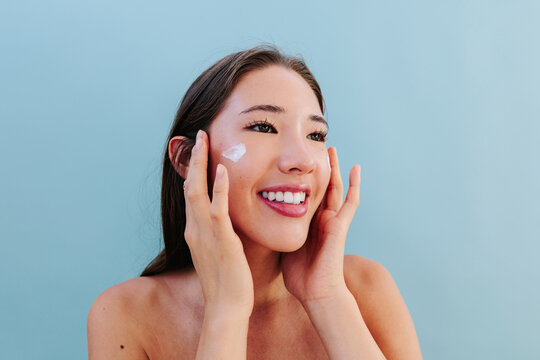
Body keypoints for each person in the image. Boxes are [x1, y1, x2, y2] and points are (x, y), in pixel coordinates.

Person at [87, 44, 423, 359]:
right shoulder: (126, 313)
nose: (302, 159)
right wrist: (226, 311)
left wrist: (326, 297)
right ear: (188, 158)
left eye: (315, 135)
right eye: (263, 126)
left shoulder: (366, 289)